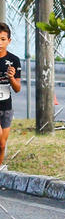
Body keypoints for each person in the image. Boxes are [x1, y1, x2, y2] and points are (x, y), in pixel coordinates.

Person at [0, 22, 22, 171]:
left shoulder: (14, 60)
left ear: (9, 41)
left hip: (6, 107)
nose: (0, 43)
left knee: (2, 145)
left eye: (3, 39)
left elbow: (17, 89)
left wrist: (12, 78)